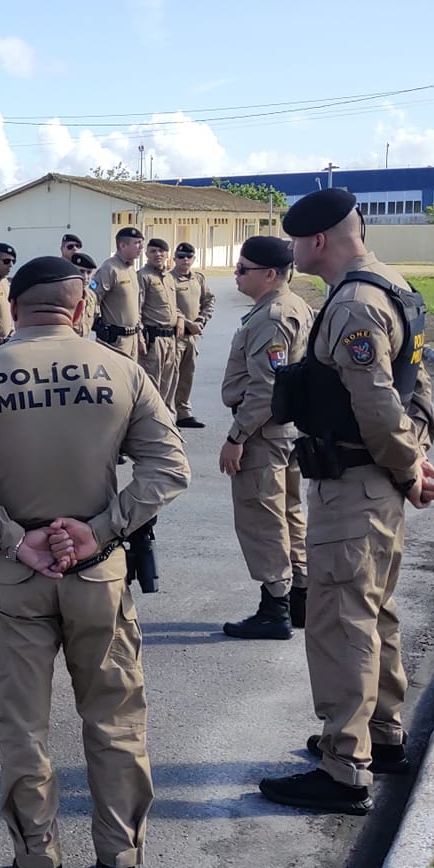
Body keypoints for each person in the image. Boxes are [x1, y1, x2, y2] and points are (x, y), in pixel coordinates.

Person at [0, 254, 190, 868]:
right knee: (116, 719)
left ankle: (37, 861)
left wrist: (19, 539)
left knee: (24, 726)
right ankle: (119, 859)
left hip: (15, 576)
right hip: (97, 573)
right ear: (81, 308)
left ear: (13, 309)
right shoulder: (121, 371)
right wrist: (101, 529)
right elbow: (169, 469)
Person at [261, 188, 434, 814]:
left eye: (293, 243)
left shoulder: (355, 304)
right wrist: (416, 455)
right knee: (375, 614)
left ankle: (343, 768)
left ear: (315, 242)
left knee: (342, 624)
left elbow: (377, 403)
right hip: (377, 481)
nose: (290, 252)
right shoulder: (389, 282)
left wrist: (410, 466)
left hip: (355, 488)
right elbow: (419, 384)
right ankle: (381, 738)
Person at [218, 236, 312, 641]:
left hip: (263, 431)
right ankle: (300, 598)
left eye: (243, 269)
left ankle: (275, 607)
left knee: (263, 518)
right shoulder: (293, 307)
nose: (236, 276)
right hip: (285, 428)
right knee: (289, 511)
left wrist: (236, 436)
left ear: (270, 274)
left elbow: (265, 389)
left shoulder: (273, 316)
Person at [171, 242, 214, 428]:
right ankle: (165, 413)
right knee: (170, 376)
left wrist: (202, 320)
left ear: (194, 259)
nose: (185, 260)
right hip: (174, 335)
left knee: (187, 375)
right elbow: (167, 307)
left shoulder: (198, 279)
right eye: (181, 257)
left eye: (189, 257)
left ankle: (183, 412)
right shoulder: (168, 279)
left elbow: (209, 300)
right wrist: (188, 323)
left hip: (193, 336)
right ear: (174, 258)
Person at [136, 238, 183, 407]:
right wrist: (140, 337)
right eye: (153, 251)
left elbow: (173, 306)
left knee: (170, 383)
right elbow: (137, 309)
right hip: (153, 339)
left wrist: (180, 319)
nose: (157, 254)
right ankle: (152, 421)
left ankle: (167, 421)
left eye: (161, 251)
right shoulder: (143, 276)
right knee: (151, 383)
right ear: (147, 254)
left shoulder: (169, 278)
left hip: (171, 338)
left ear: (167, 254)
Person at [90, 228, 146, 359]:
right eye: (137, 243)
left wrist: (139, 336)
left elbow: (134, 308)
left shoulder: (131, 269)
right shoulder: (109, 268)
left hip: (132, 338)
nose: (141, 247)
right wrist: (98, 325)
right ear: (122, 245)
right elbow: (92, 298)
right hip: (116, 340)